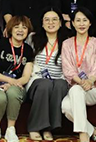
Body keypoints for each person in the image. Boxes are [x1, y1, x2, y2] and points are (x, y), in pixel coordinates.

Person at [0, 15, 34, 142]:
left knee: (12, 93)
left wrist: (11, 84)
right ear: (10, 29)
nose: (20, 30)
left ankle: (10, 129)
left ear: (28, 31)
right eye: (16, 27)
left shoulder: (28, 50)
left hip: (17, 85)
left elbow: (26, 77)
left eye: (24, 27)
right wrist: (9, 81)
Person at [61, 8, 96, 142]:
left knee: (75, 91)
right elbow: (67, 69)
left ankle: (83, 136)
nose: (81, 24)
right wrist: (81, 82)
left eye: (85, 20)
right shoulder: (67, 44)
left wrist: (90, 81)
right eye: (78, 20)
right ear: (73, 23)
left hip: (94, 89)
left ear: (90, 23)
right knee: (65, 107)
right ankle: (90, 130)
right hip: (75, 87)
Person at [26, 8, 69, 140]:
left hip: (59, 78)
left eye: (54, 19)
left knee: (60, 85)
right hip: (37, 79)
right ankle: (35, 127)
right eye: (47, 20)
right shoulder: (32, 38)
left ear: (60, 23)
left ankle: (48, 128)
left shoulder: (67, 40)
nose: (51, 23)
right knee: (45, 84)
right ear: (42, 23)